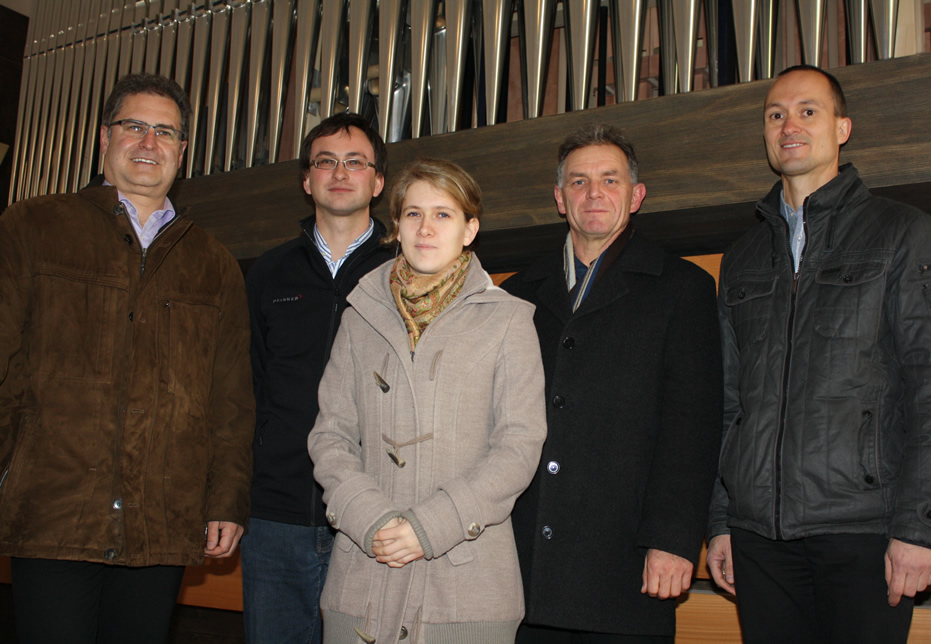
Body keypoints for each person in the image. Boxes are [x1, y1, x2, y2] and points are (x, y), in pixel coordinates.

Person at [706, 65, 931, 643]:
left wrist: (922, 528)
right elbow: (729, 403)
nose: (789, 126)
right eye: (776, 115)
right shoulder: (742, 256)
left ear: (842, 128)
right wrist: (722, 519)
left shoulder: (901, 232)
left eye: (808, 111)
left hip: (865, 530)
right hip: (758, 538)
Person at [0, 73, 254, 643]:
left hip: (162, 515)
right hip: (53, 508)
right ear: (103, 137)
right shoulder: (32, 226)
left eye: (165, 132)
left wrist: (226, 498)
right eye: (134, 126)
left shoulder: (213, 263)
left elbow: (231, 400)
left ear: (182, 151)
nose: (148, 142)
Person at [307, 158, 547, 643]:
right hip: (365, 569)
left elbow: (519, 446)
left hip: (464, 579)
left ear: (469, 229)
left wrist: (430, 526)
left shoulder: (509, 321)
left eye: (443, 214)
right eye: (413, 214)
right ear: (396, 226)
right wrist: (371, 519)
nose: (426, 228)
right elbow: (330, 436)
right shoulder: (359, 316)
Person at [502, 123, 723, 642]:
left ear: (636, 195)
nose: (594, 193)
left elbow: (692, 427)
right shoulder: (515, 295)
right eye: (578, 182)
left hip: (624, 561)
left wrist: (672, 539)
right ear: (560, 198)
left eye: (610, 180)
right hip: (523, 557)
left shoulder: (683, 288)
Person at [241, 112, 393, 643]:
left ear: (378, 181)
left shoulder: (405, 270)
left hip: (375, 510)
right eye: (325, 161)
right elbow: (247, 387)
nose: (340, 172)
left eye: (356, 162)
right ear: (307, 181)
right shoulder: (269, 272)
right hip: (276, 512)